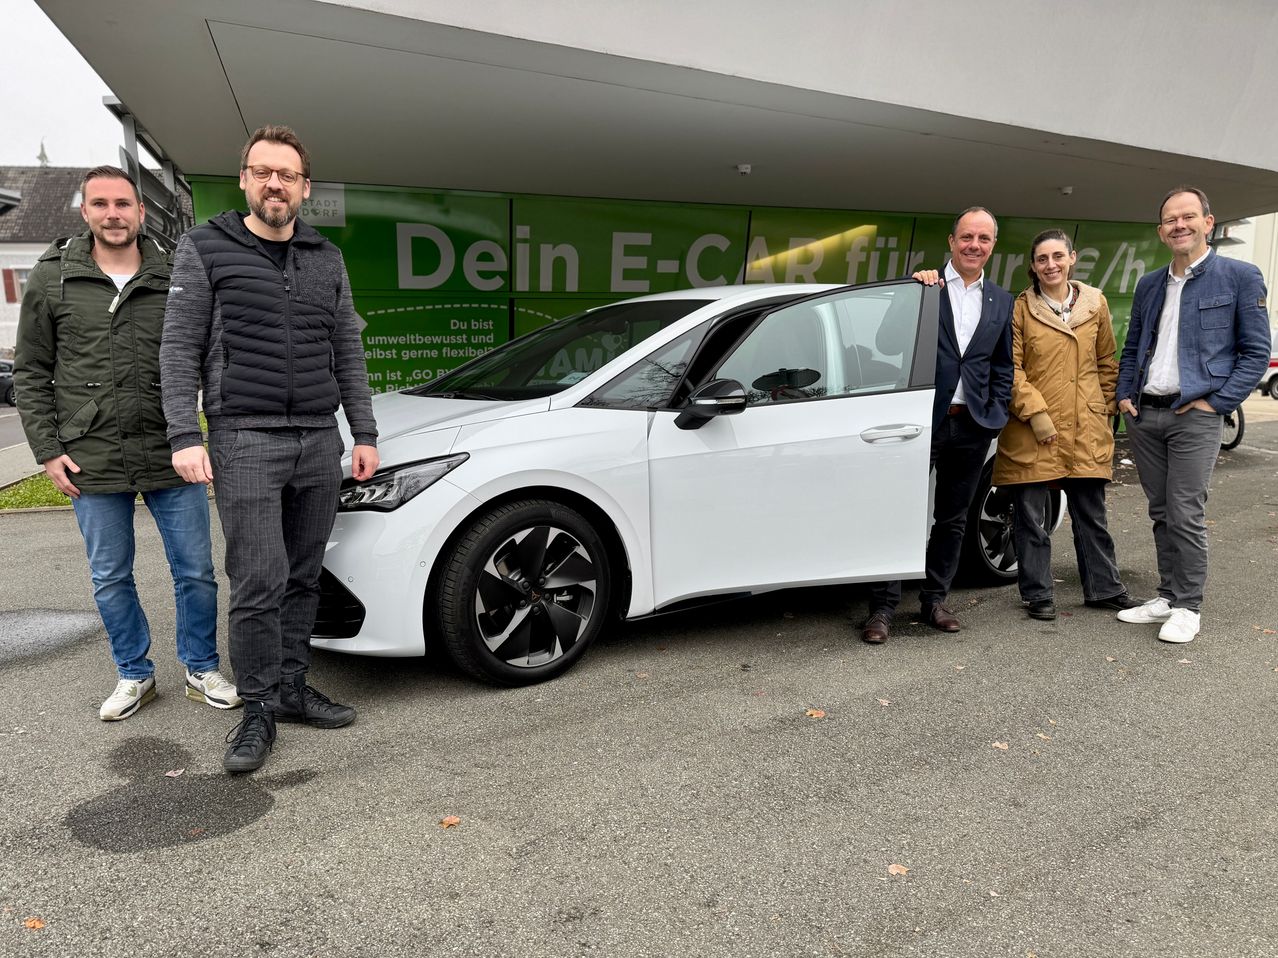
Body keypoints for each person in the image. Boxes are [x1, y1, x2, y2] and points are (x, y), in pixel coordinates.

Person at [161, 125, 379, 772]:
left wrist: (362, 432)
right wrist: (183, 434)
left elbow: (348, 350)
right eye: (262, 172)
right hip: (245, 436)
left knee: (304, 576)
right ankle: (256, 708)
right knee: (258, 579)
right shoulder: (204, 248)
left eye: (286, 174)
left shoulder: (326, 259)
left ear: (304, 188)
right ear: (245, 179)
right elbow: (177, 348)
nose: (274, 184)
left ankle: (290, 688)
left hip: (318, 438)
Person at [15, 166, 239, 720]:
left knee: (196, 570)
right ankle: (134, 674)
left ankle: (201, 666)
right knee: (111, 575)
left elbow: (206, 356)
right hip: (90, 454)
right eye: (101, 204)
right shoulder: (52, 279)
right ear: (85, 212)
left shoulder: (176, 273)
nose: (113, 213)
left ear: (140, 212)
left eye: (123, 203)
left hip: (171, 447)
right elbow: (31, 371)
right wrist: (47, 449)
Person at [1115, 186, 1270, 643]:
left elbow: (1255, 352)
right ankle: (1166, 595)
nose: (1178, 225)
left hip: (1195, 415)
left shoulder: (1240, 276)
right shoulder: (1150, 284)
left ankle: (1188, 605)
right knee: (1161, 510)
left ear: (1209, 222)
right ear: (1161, 231)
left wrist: (1216, 404)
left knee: (1185, 511)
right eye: (1170, 219)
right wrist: (1126, 394)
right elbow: (1133, 345)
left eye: (1188, 216)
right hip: (1146, 413)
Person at [861, 207, 1014, 643]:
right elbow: (886, 342)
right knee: (899, 513)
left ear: (992, 247)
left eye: (984, 239)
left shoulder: (1001, 301)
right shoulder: (925, 287)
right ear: (952, 242)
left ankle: (934, 601)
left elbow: (1003, 364)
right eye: (967, 237)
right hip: (920, 423)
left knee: (952, 519)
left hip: (971, 425)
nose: (974, 245)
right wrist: (912, 292)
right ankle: (883, 608)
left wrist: (996, 411)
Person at [994, 229, 1141, 621]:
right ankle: (1038, 594)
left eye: (1058, 256)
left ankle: (1104, 588)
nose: (1051, 265)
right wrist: (1036, 414)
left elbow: (1107, 361)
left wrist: (1104, 409)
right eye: (1042, 259)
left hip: (1085, 423)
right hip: (1032, 426)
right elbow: (1011, 368)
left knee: (1091, 512)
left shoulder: (1095, 302)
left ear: (1072, 258)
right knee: (1030, 516)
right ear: (1033, 266)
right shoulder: (1020, 308)